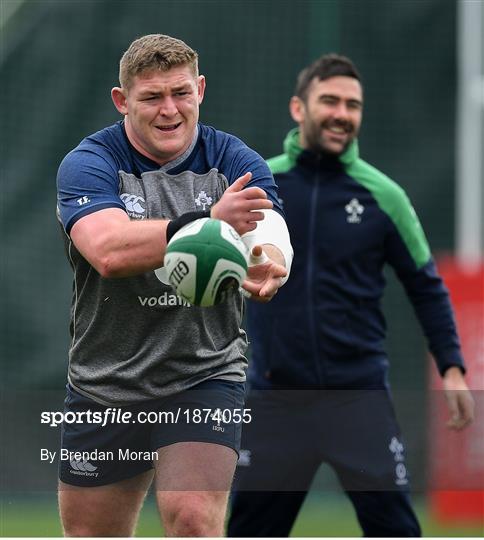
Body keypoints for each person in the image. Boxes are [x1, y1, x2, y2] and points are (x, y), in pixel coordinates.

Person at [227, 54, 475, 537]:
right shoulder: (260, 186)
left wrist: (452, 366)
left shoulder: (385, 196)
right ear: (299, 109)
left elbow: (425, 285)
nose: (343, 113)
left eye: (353, 105)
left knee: (397, 531)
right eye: (330, 101)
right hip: (276, 398)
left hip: (358, 398)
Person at [55, 33, 292, 537]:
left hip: (203, 375)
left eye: (181, 93)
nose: (169, 110)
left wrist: (269, 260)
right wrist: (206, 219)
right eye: (152, 97)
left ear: (200, 89)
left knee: (192, 520)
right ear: (122, 101)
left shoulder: (232, 158)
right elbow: (109, 251)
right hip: (106, 384)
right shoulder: (90, 163)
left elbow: (270, 230)